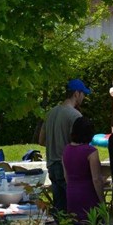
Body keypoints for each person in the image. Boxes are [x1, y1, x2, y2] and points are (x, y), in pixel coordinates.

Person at [39, 78, 90, 214]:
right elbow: (79, 145)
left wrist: (55, 143)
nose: (84, 97)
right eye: (83, 94)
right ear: (76, 94)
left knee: (59, 209)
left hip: (51, 166)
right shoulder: (75, 115)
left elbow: (41, 140)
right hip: (67, 168)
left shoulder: (50, 113)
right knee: (75, 209)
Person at [62, 117, 104, 225]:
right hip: (88, 194)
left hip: (71, 193)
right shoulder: (91, 152)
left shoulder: (66, 149)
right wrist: (102, 202)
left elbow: (66, 176)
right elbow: (96, 179)